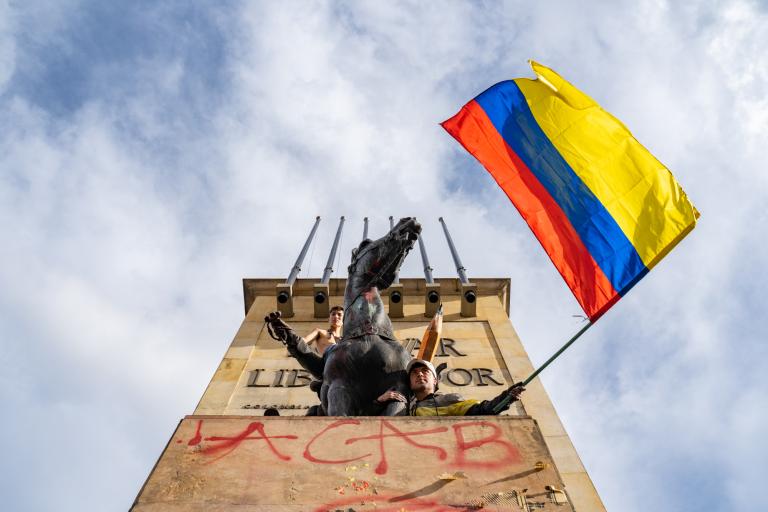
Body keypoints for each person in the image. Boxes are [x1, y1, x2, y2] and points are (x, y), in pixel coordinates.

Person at [376, 359, 525, 416]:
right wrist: (379, 401)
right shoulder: (403, 408)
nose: (419, 375)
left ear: (435, 381)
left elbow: (482, 410)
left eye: (424, 371)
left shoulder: (449, 400)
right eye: (414, 373)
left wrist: (507, 397)